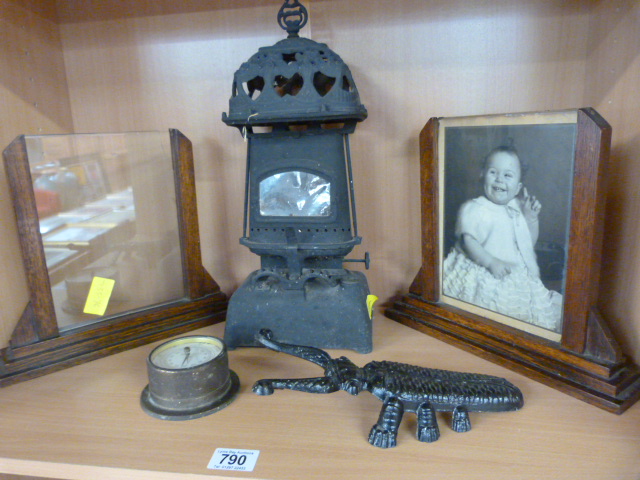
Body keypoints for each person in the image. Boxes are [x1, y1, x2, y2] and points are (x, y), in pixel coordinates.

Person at [442, 146, 562, 331]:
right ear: (482, 175)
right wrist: (490, 262)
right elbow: (469, 241)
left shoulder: (515, 210)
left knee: (523, 306)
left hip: (511, 268)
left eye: (508, 175)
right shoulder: (476, 208)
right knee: (486, 303)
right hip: (481, 264)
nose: (499, 179)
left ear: (517, 188)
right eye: (493, 172)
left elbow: (527, 244)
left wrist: (531, 218)